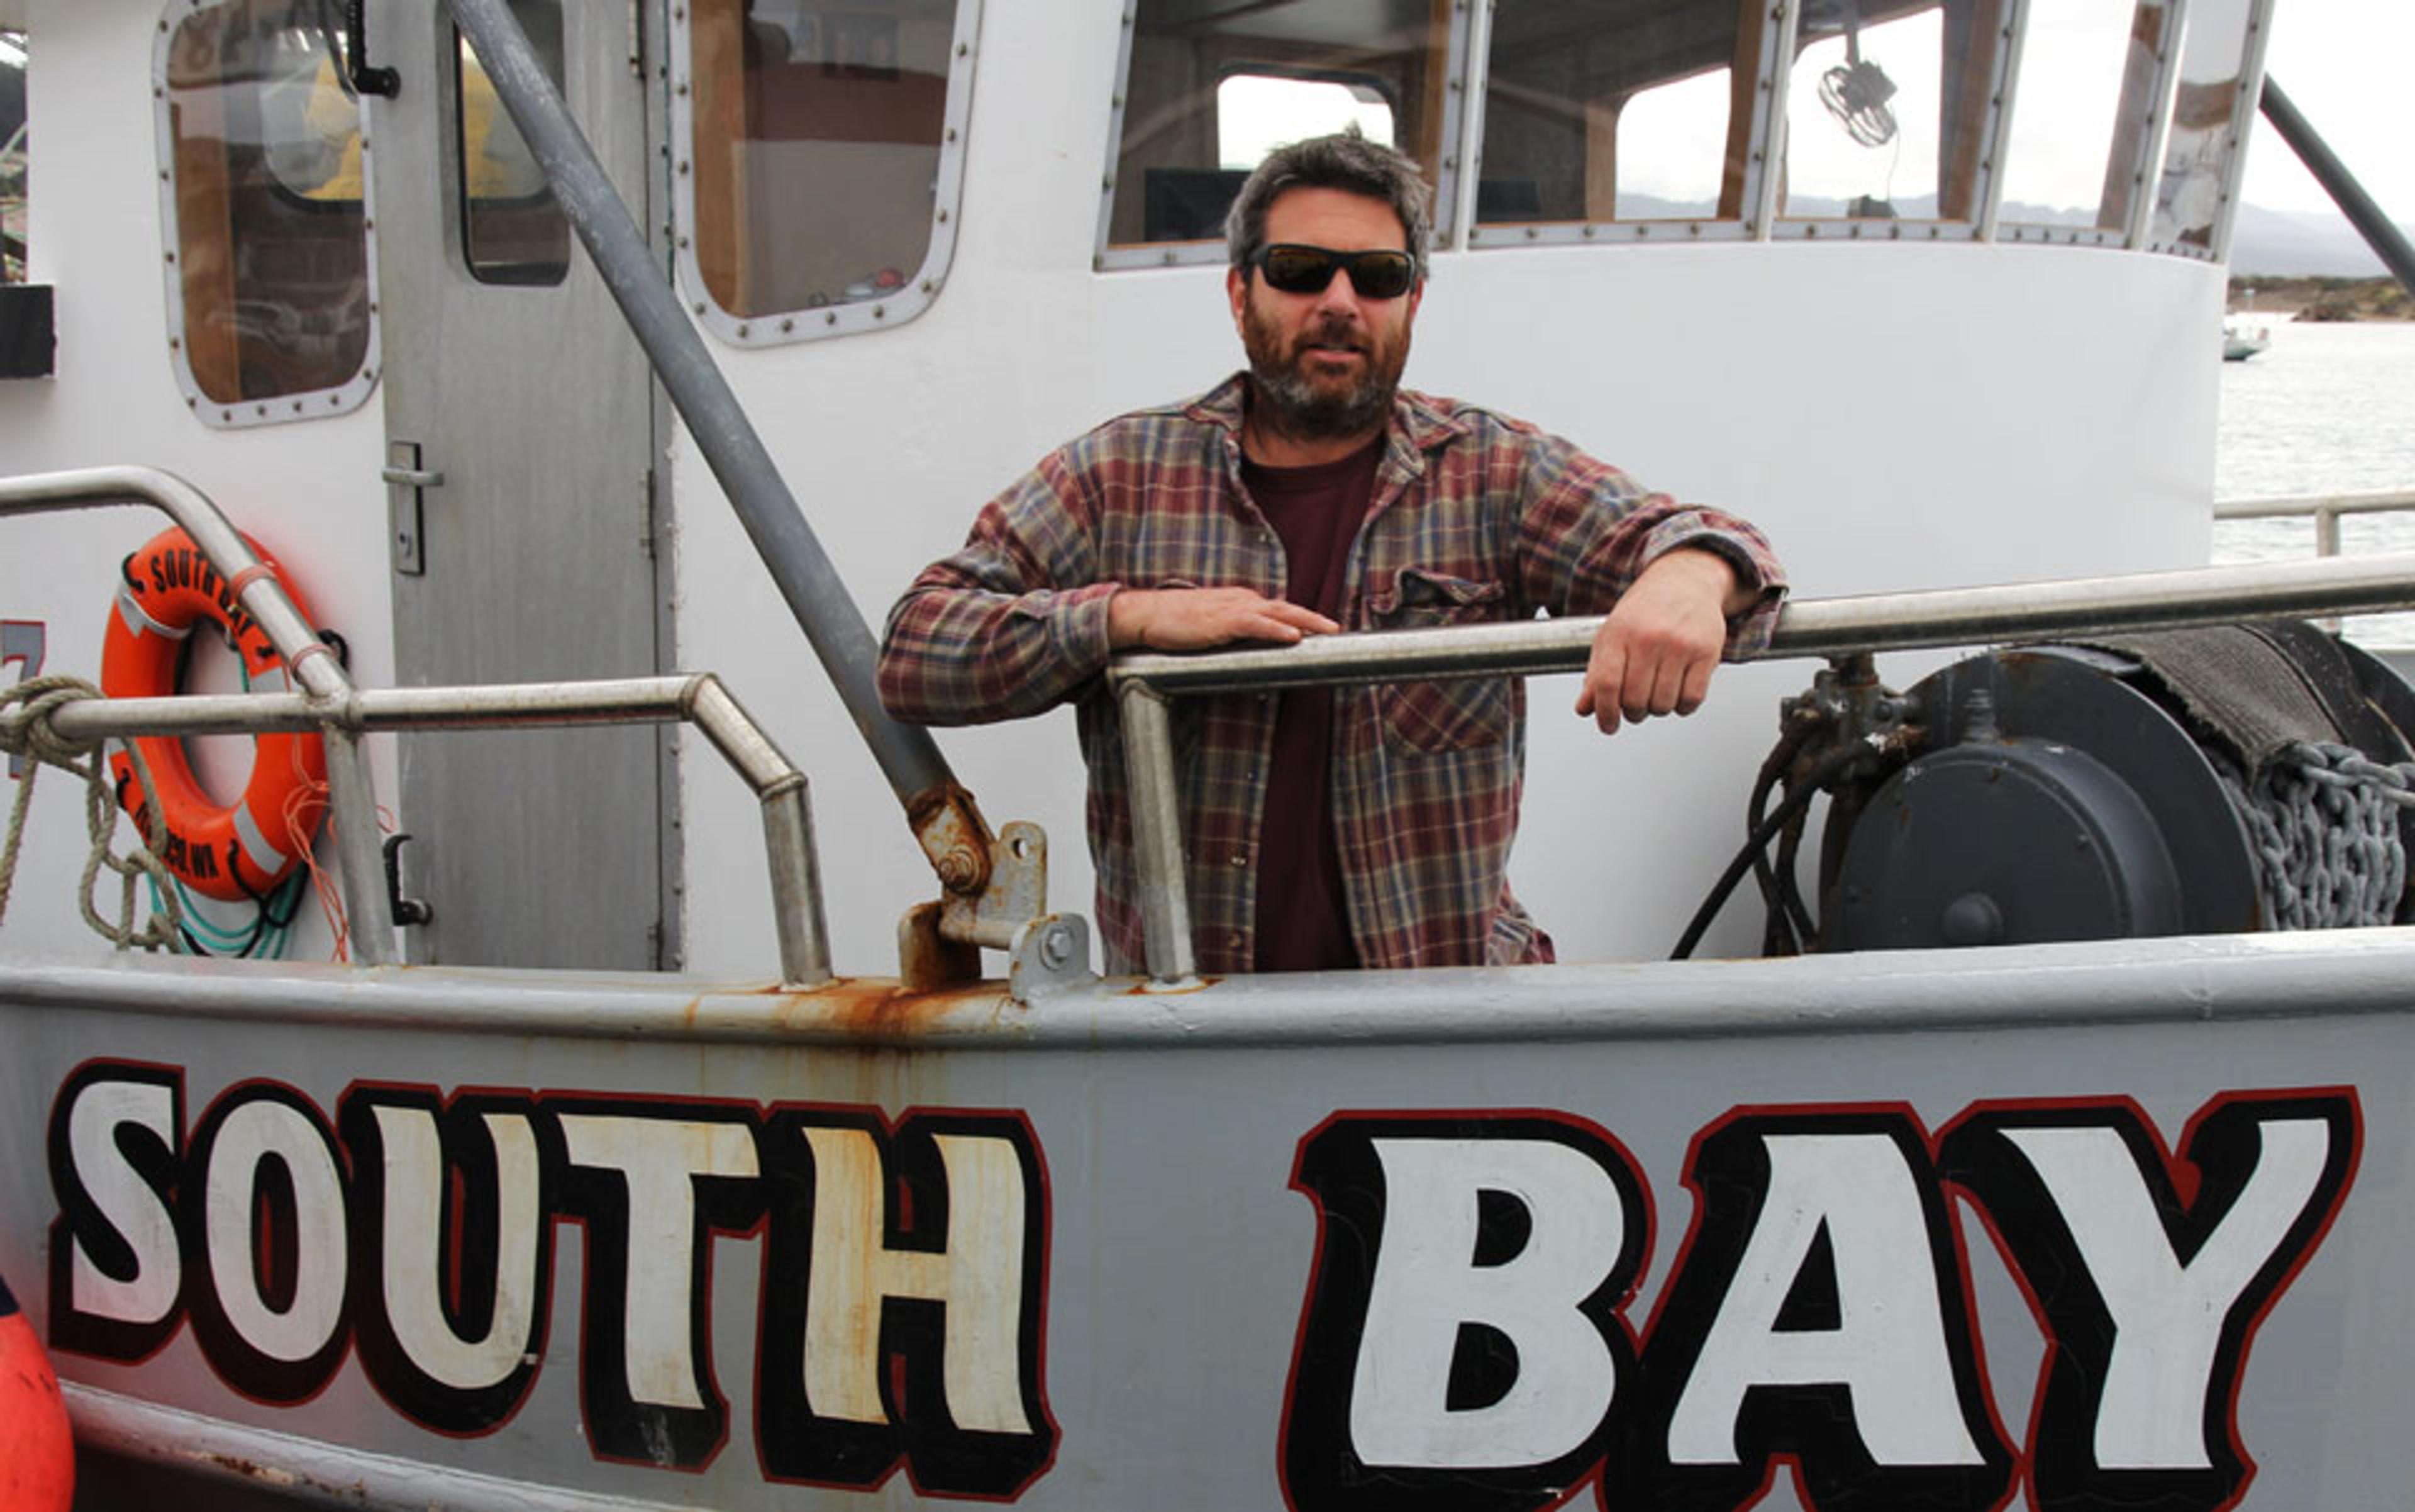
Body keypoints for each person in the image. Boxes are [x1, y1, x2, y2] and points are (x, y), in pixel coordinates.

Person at [878, 131, 1785, 975]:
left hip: (1440, 1034)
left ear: (1413, 302)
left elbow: (1713, 541)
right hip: (1191, 1034)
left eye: (1379, 276)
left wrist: (1691, 578)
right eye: (1302, 270)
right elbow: (918, 649)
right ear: (1241, 294)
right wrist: (1129, 620)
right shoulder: (1121, 476)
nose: (1341, 302)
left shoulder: (1494, 471)